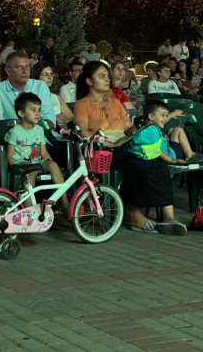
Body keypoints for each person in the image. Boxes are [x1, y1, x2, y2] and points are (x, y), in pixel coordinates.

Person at [73, 62, 186, 235]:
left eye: (107, 76)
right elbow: (83, 130)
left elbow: (127, 126)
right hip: (102, 148)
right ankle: (135, 215)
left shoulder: (116, 103)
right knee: (137, 163)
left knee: (156, 159)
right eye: (102, 76)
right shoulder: (83, 104)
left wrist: (135, 132)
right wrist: (105, 138)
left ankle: (169, 217)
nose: (107, 79)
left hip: (125, 143)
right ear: (89, 81)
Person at [4, 93, 68, 210]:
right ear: (21, 113)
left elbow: (43, 152)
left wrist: (49, 163)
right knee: (32, 170)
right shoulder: (15, 132)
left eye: (39, 110)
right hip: (22, 163)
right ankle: (29, 208)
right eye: (33, 110)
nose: (38, 113)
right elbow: (9, 155)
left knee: (53, 165)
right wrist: (14, 167)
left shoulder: (39, 129)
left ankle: (63, 202)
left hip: (37, 161)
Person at [0, 52, 56, 127]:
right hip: (14, 136)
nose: (25, 71)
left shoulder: (40, 86)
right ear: (8, 71)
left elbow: (49, 116)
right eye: (19, 67)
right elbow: (0, 123)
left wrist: (42, 129)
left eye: (27, 66)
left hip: (42, 134)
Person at [130, 99, 195, 165]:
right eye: (163, 115)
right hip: (171, 157)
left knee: (172, 130)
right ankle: (189, 155)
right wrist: (172, 160)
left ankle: (190, 153)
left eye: (166, 116)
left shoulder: (147, 128)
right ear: (151, 116)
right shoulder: (152, 129)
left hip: (169, 152)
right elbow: (157, 150)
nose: (165, 118)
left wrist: (173, 114)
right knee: (178, 129)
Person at [31, 61, 75, 128]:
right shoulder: (30, 98)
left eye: (51, 74)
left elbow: (71, 117)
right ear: (37, 76)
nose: (50, 77)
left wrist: (64, 120)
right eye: (45, 74)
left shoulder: (56, 97)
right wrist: (53, 121)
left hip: (59, 133)